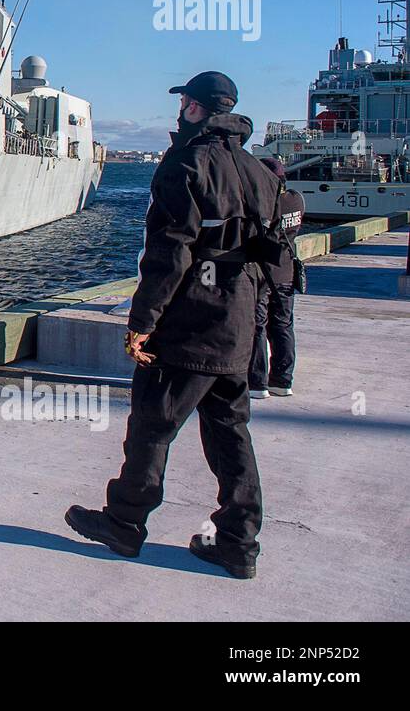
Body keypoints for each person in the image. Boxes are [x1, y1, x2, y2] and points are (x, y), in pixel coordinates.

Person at [65, 71, 283, 581]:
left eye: (184, 101)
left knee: (152, 426)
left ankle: (124, 523)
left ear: (195, 109)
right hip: (239, 321)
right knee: (232, 434)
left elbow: (170, 252)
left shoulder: (185, 163)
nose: (179, 107)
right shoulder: (259, 171)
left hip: (189, 322)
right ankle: (239, 543)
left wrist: (143, 320)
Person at [250, 156, 305, 398]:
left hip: (262, 272)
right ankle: (283, 380)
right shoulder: (296, 199)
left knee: (257, 327)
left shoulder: (263, 203)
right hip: (286, 270)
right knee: (283, 326)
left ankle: (257, 382)